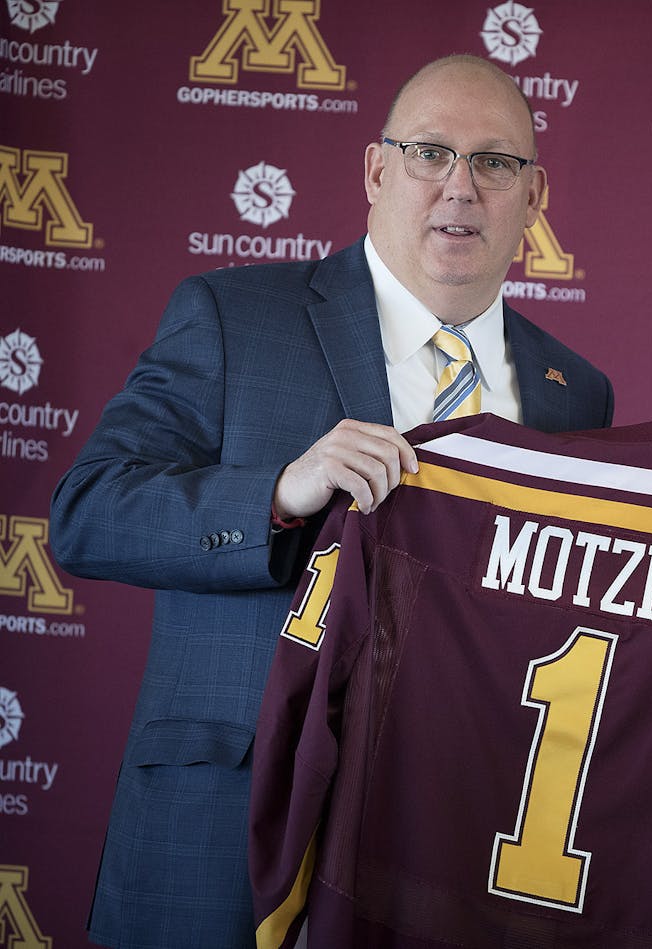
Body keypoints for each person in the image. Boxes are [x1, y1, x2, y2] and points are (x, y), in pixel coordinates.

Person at [50, 54, 612, 949]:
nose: (459, 187)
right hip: (222, 835)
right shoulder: (233, 315)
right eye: (430, 153)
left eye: (495, 163)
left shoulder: (575, 391)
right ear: (377, 171)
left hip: (455, 850)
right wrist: (277, 492)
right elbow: (88, 511)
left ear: (534, 196)